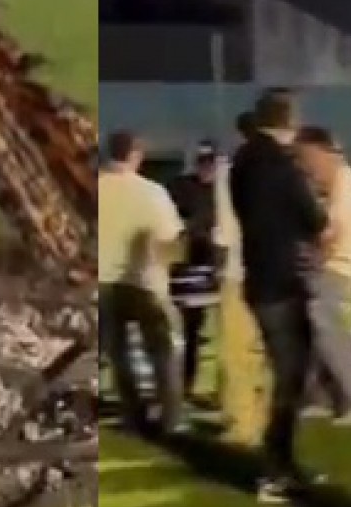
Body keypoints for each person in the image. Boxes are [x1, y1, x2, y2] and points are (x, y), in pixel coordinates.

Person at [228, 88, 330, 502]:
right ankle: (274, 471)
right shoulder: (285, 168)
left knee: (286, 376)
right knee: (290, 379)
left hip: (258, 277)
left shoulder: (242, 161)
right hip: (283, 282)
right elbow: (313, 219)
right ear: (289, 120)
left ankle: (284, 464)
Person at [97, 130, 186, 435]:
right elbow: (170, 240)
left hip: (105, 281)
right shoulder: (153, 192)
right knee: (162, 351)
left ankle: (133, 416)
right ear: (135, 155)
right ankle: (171, 417)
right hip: (145, 282)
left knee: (119, 354)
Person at [294, 127, 351, 425]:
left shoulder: (346, 185)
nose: (305, 166)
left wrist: (315, 260)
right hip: (328, 266)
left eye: (307, 158)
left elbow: (335, 232)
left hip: (335, 268)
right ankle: (319, 398)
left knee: (331, 336)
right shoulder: (332, 185)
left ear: (323, 153)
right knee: (313, 337)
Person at [213, 113, 267, 445]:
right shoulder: (284, 169)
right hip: (277, 272)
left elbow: (225, 233)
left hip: (240, 272)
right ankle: (267, 418)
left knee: (235, 354)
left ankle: (243, 424)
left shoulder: (229, 171)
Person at [167, 142, 223, 402]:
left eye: (210, 162)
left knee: (214, 332)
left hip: (216, 271)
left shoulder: (225, 191)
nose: (206, 168)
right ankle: (186, 385)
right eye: (202, 162)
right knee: (188, 331)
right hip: (187, 273)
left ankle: (210, 386)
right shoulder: (182, 187)